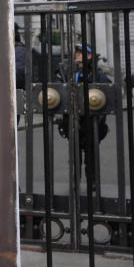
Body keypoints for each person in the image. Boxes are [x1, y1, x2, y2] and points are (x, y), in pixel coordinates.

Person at [55, 43, 110, 188]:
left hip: (90, 120)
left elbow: (107, 94)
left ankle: (92, 182)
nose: (77, 55)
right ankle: (75, 181)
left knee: (90, 154)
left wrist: (100, 119)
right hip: (72, 119)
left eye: (81, 53)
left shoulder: (97, 74)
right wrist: (61, 122)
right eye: (77, 53)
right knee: (74, 153)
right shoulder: (68, 72)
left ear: (90, 56)